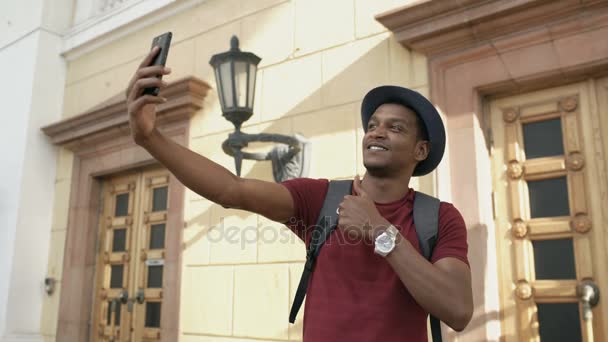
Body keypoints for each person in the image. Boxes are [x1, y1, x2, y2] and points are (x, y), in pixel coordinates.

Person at [125, 47, 473, 342]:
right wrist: (150, 138)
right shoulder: (320, 198)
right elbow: (231, 190)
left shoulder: (439, 218)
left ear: (421, 150)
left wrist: (380, 232)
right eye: (372, 125)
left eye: (395, 127)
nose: (377, 132)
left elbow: (457, 311)